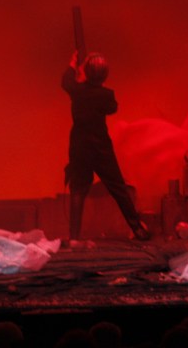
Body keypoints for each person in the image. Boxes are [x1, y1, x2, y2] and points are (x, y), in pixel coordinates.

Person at [62, 51, 150, 243]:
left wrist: (73, 65)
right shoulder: (106, 95)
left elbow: (66, 82)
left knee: (78, 190)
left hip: (80, 147)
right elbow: (112, 108)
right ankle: (137, 229)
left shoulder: (77, 91)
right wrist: (87, 80)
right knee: (118, 188)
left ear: (87, 72)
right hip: (101, 148)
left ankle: (74, 237)